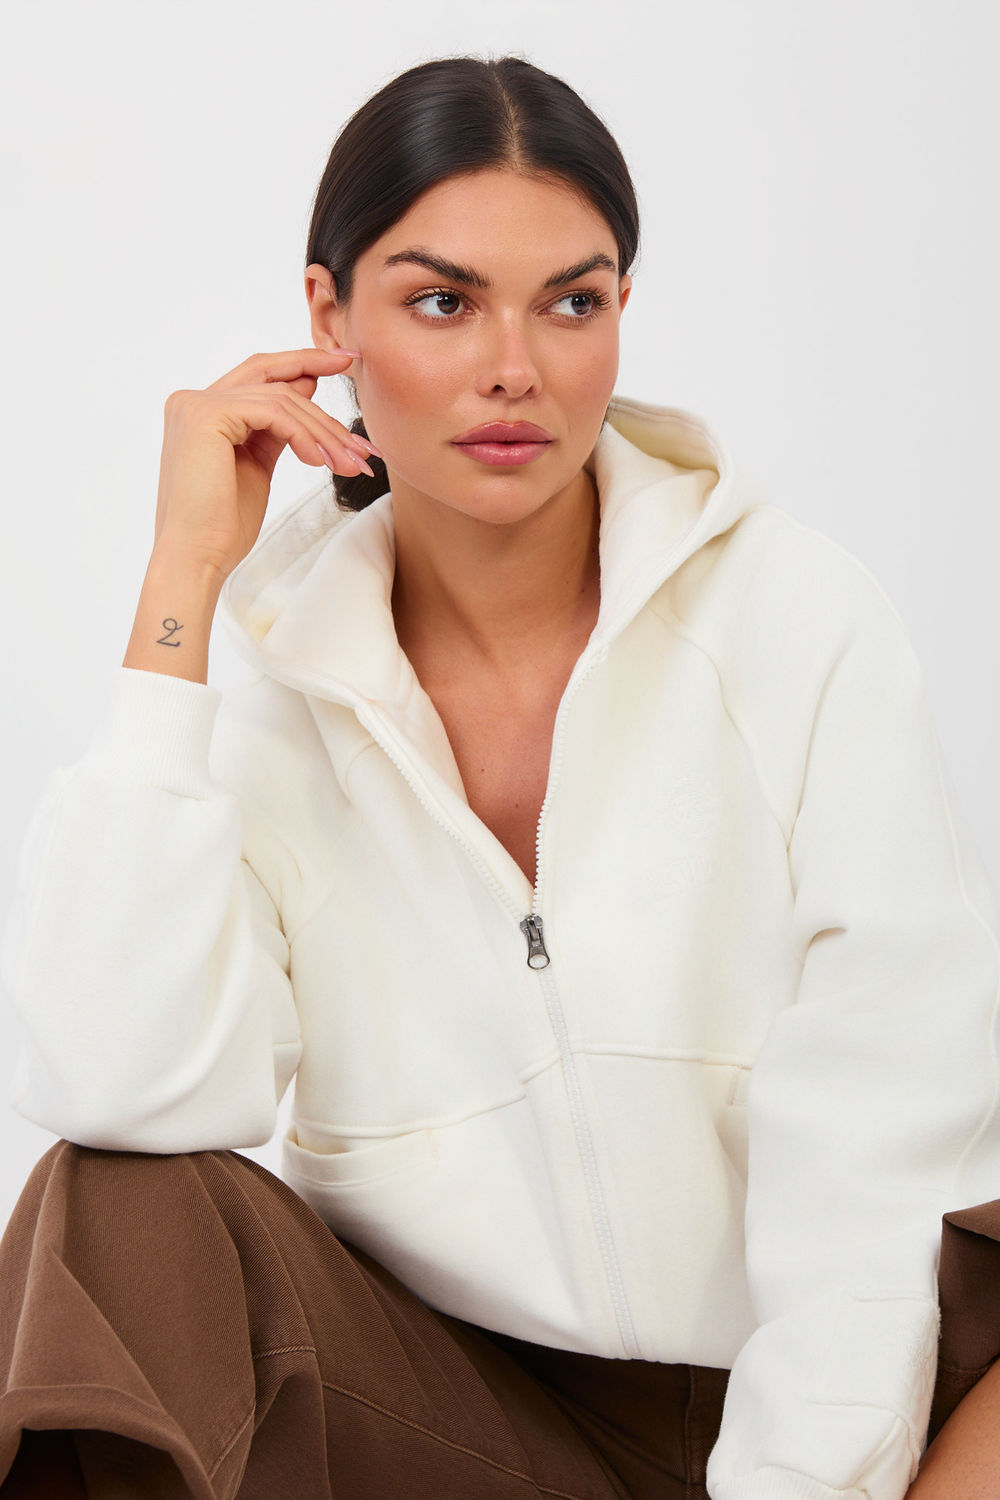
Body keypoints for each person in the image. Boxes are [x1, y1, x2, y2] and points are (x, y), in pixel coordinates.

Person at [1, 52, 999, 1500]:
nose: (514, 366)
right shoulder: (276, 694)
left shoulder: (795, 621)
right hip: (490, 1421)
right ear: (329, 320)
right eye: (443, 302)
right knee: (109, 1208)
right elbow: (115, 1085)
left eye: (571, 302)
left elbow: (877, 1147)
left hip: (853, 1394)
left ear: (622, 312)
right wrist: (182, 585)